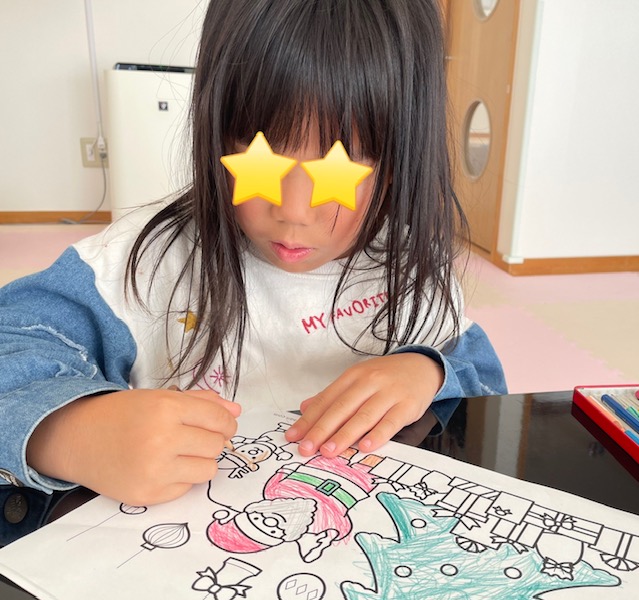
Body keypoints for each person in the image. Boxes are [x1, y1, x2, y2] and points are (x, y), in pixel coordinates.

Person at [0, 0, 506, 543]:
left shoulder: (409, 267)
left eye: (346, 162)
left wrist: (428, 372)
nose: (294, 210)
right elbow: (15, 344)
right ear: (215, 125)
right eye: (261, 152)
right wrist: (70, 433)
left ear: (406, 153)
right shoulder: (143, 262)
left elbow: (479, 381)